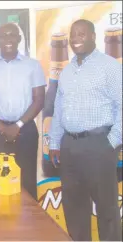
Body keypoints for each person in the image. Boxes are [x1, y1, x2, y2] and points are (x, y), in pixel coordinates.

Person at [49, 19, 122, 241]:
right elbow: (59, 108)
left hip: (99, 145)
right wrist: (54, 141)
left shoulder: (110, 67)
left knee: (107, 210)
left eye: (81, 34)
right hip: (69, 146)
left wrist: (112, 140)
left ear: (93, 36)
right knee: (74, 207)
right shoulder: (68, 71)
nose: (75, 39)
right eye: (73, 35)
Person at [0, 23, 46, 200]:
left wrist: (18, 125)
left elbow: (39, 100)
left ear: (19, 39)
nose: (8, 39)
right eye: (4, 36)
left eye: (12, 35)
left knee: (27, 181)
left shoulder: (33, 65)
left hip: (26, 130)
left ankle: (29, 226)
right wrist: (1, 127)